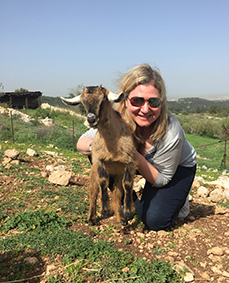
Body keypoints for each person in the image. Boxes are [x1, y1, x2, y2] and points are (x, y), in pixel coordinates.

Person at [77, 64, 197, 231]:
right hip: (136, 163)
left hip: (171, 170)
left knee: (155, 220)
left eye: (153, 101)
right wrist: (99, 147)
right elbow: (82, 143)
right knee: (100, 155)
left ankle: (177, 199)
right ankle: (127, 200)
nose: (145, 109)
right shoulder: (115, 118)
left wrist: (127, 152)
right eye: (137, 100)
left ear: (161, 101)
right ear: (125, 100)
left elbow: (161, 179)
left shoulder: (172, 132)